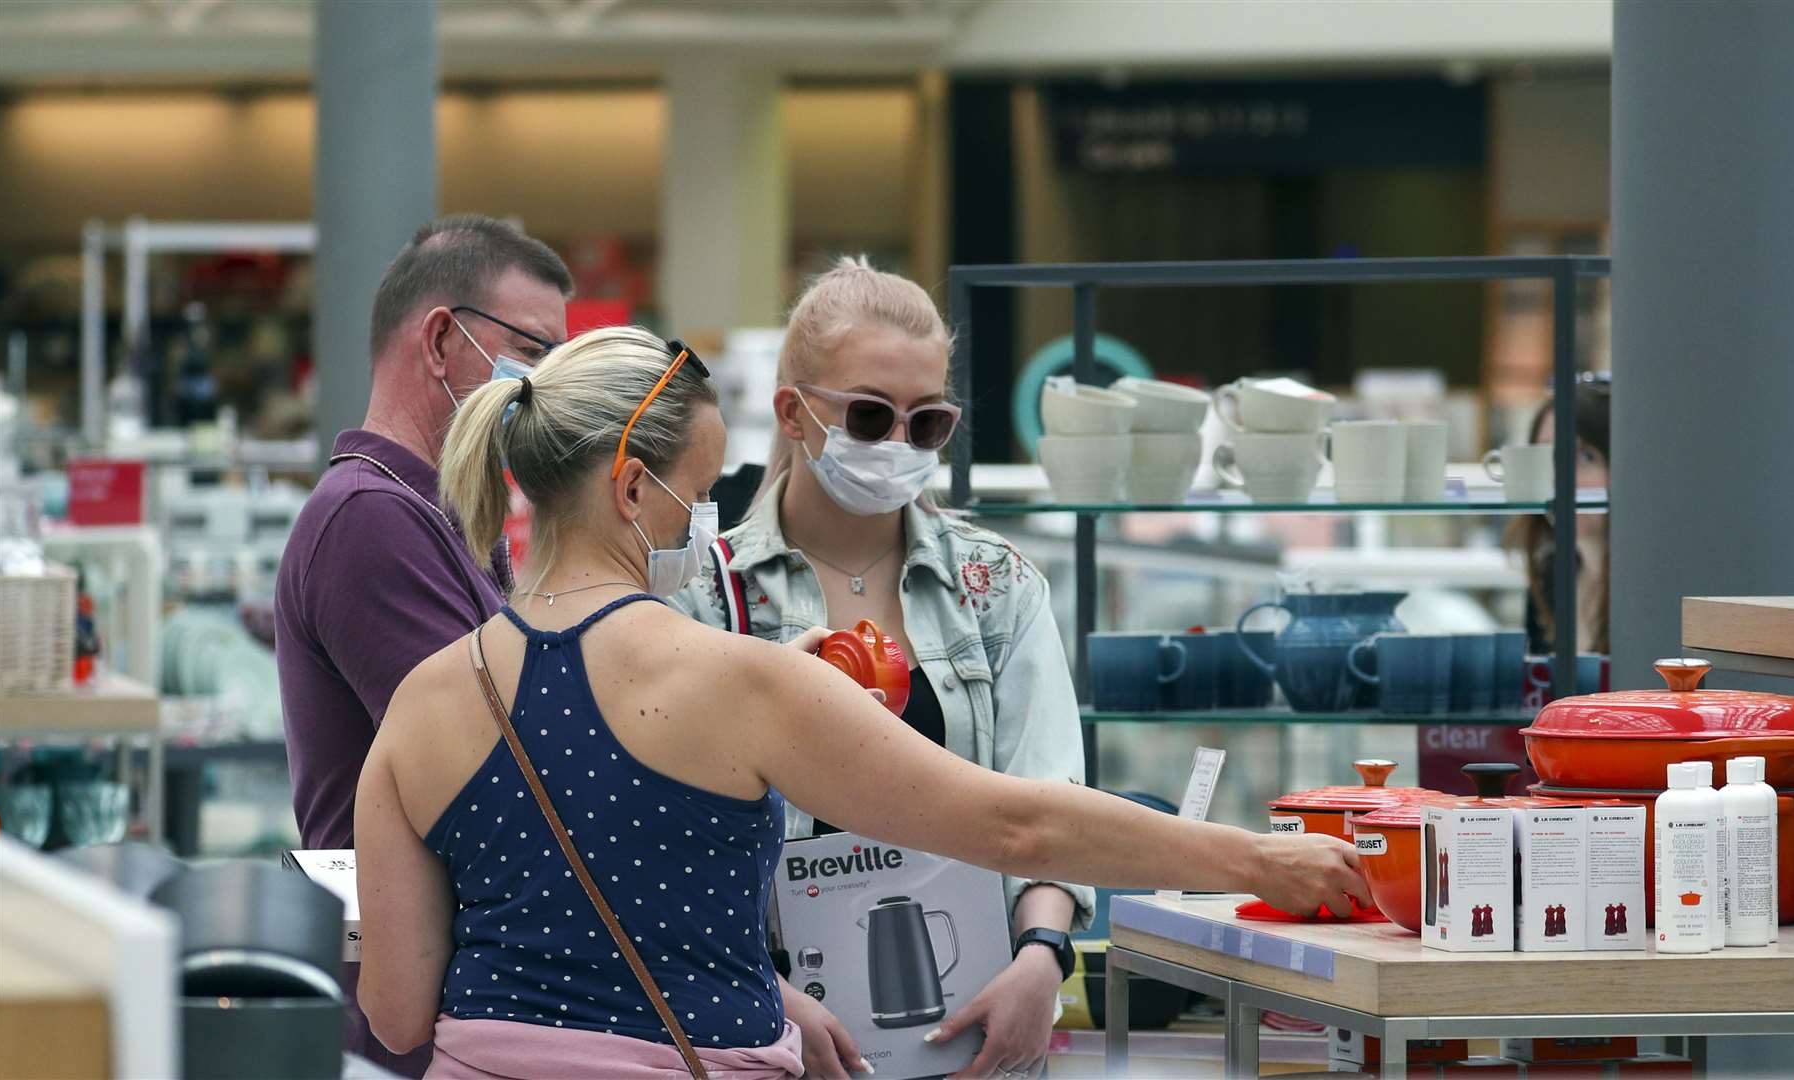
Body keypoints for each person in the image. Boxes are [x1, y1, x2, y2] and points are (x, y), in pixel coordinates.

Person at [354, 325, 1369, 1079]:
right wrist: (1256, 858)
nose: (705, 523)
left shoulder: (423, 702)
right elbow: (1014, 823)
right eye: (699, 494)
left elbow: (396, 1013)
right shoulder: (741, 682)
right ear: (631, 491)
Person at [668, 258, 1086, 1079]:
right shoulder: (705, 597)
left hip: (974, 1034)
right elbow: (665, 845)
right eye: (868, 416)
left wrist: (1041, 960)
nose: (897, 444)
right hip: (768, 1034)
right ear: (792, 412)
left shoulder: (995, 586)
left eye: (925, 424)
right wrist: (767, 995)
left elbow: (1050, 800)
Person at [274, 214, 571, 1074]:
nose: (545, 388)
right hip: (413, 1017)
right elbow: (505, 766)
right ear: (441, 339)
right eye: (533, 352)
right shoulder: (370, 522)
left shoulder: (440, 518)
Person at [1505, 374, 1610, 655]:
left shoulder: (1650, 584)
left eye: (1585, 457)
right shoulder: (1551, 575)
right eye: (1546, 458)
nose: (1560, 477)